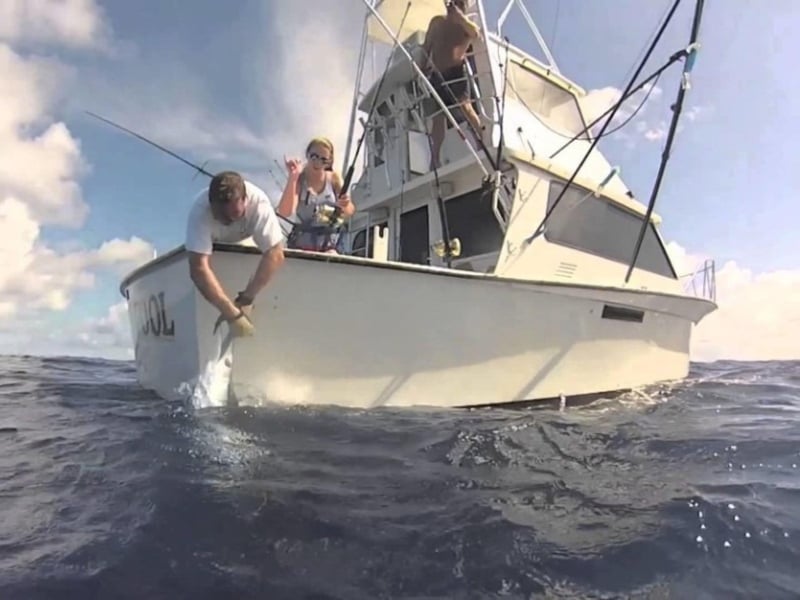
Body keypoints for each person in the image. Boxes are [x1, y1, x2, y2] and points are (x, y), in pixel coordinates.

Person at [185, 170, 285, 337]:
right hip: (211, 245)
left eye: (234, 214)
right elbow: (198, 267)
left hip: (248, 242)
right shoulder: (200, 211)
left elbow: (275, 254)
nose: (228, 221)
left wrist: (247, 298)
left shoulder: (259, 205)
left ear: (245, 200)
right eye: (219, 216)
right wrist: (232, 313)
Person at [420, 0, 483, 169]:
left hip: (456, 72)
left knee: (466, 107)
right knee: (438, 119)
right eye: (452, 4)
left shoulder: (466, 25)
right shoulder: (437, 23)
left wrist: (460, 18)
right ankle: (435, 159)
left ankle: (482, 143)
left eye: (458, 4)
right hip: (437, 76)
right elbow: (426, 47)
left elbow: (476, 34)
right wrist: (420, 69)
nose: (453, 7)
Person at [277, 136, 356, 253]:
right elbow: (285, 211)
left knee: (332, 255)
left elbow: (350, 211)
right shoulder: (300, 179)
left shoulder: (334, 179)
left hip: (330, 245)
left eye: (323, 160)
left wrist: (346, 204)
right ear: (307, 154)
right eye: (314, 157)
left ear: (329, 162)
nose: (318, 163)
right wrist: (293, 177)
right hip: (302, 245)